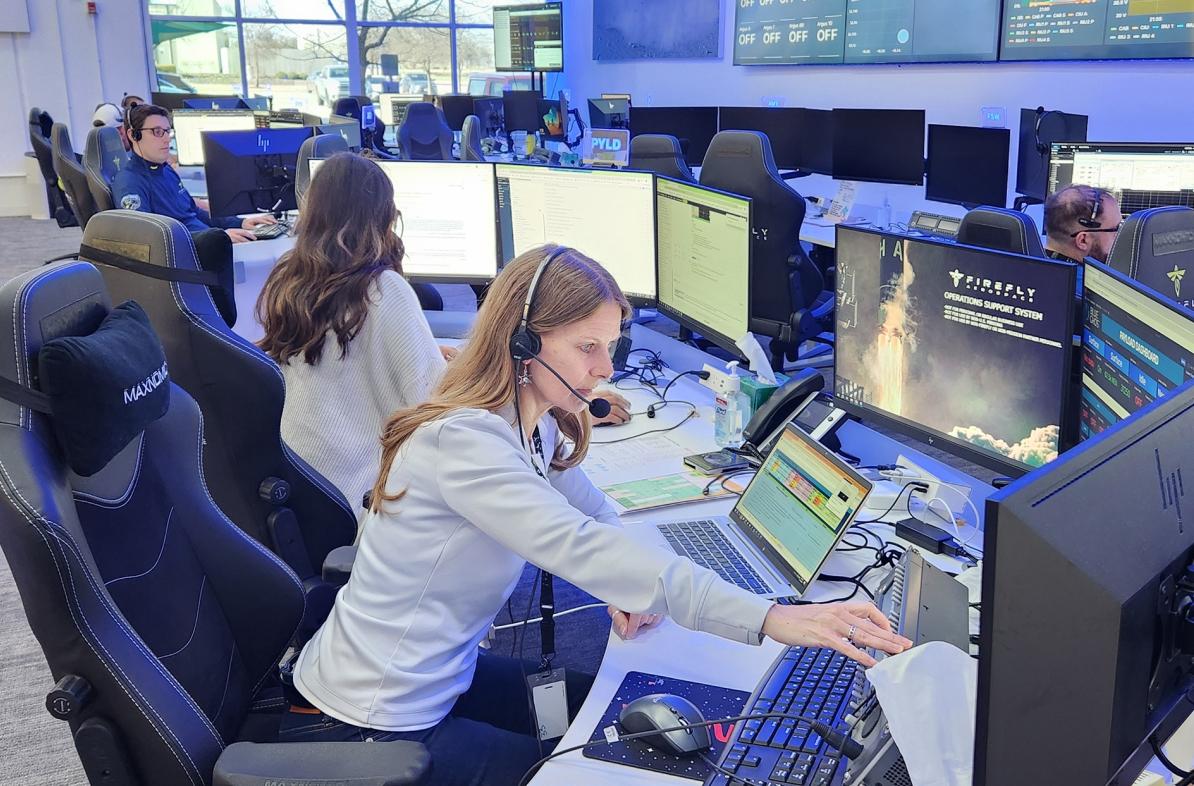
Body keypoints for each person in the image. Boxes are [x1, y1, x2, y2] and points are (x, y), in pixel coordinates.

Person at [281, 244, 912, 786]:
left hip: (447, 676)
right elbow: (580, 546)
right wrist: (772, 617)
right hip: (379, 716)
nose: (606, 369)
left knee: (629, 725)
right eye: (587, 347)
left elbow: (599, 516)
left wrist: (625, 592)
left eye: (611, 346)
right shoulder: (464, 443)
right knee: (610, 765)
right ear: (522, 340)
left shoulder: (530, 428)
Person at [112, 103, 276, 326]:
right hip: (191, 260)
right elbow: (150, 239)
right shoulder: (130, 182)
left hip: (211, 245)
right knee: (267, 269)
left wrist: (241, 221)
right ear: (134, 135)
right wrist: (219, 236)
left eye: (168, 131)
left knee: (271, 251)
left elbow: (194, 213)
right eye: (157, 132)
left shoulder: (166, 170)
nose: (166, 138)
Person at [1043, 184, 1123, 265]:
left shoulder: (1033, 266)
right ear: (1083, 240)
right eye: (1116, 229)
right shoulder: (1089, 277)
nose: (1120, 235)